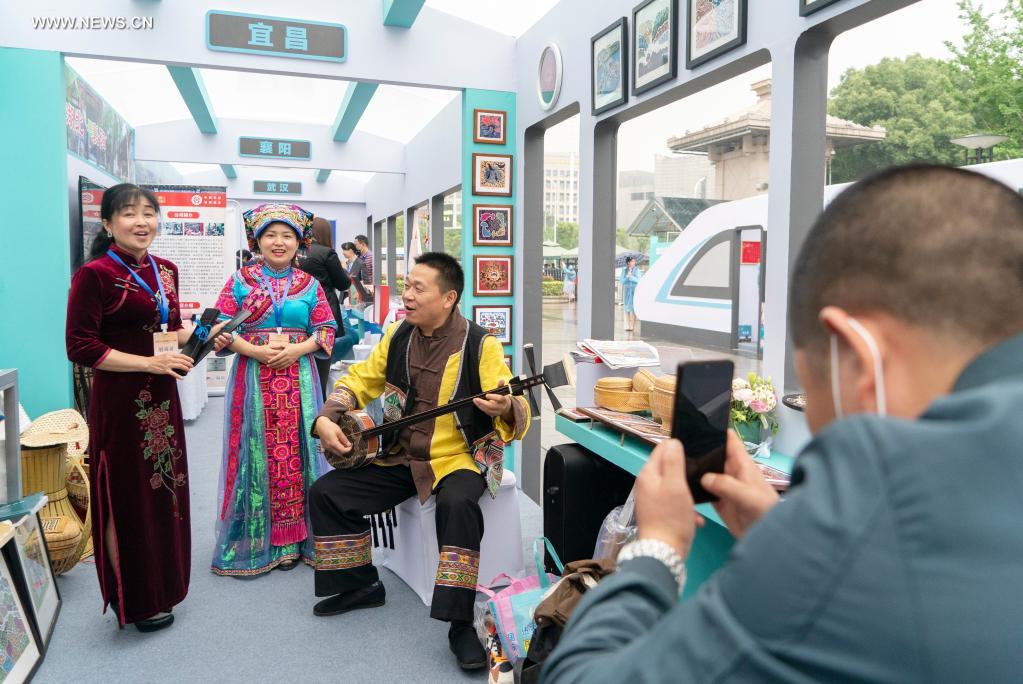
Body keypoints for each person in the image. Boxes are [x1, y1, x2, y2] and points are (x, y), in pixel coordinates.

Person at [543, 164, 1023, 682]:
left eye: (810, 387)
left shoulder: (856, 524)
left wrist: (655, 549)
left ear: (855, 358)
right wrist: (775, 531)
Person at [308, 252, 531, 670]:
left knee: (458, 505)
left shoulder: (481, 344)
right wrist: (326, 416)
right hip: (401, 453)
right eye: (406, 286)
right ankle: (361, 584)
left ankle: (460, 623)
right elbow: (359, 379)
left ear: (448, 298)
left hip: (457, 456)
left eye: (417, 288)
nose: (406, 295)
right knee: (328, 493)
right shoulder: (398, 334)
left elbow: (511, 399)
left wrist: (502, 407)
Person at [66, 183, 229, 632]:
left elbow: (171, 327)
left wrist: (209, 335)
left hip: (162, 398)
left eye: (149, 214)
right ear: (107, 223)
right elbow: (80, 346)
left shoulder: (166, 270)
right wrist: (149, 363)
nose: (142, 222)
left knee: (163, 491)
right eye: (129, 214)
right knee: (124, 495)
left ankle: (163, 585)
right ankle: (132, 598)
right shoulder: (94, 275)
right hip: (119, 402)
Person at [211, 204, 337, 576]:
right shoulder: (240, 280)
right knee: (255, 451)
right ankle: (259, 540)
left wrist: (297, 350)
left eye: (287, 236)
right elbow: (219, 326)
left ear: (299, 243)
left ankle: (301, 539)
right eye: (271, 235)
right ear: (257, 241)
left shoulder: (309, 284)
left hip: (300, 378)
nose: (278, 243)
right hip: (253, 379)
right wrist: (255, 351)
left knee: (302, 448)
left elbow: (327, 329)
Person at [298, 217, 351, 399]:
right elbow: (343, 283)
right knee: (321, 367)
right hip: (324, 313)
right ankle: (317, 413)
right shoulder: (326, 253)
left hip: (297, 314)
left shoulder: (296, 252)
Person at [342, 240, 371, 305]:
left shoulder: (361, 263)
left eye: (344, 250)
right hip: (343, 296)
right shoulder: (344, 263)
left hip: (355, 298)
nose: (343, 252)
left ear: (351, 250)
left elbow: (367, 282)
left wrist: (344, 269)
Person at [620, 256, 640, 332]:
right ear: (628, 262)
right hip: (627, 291)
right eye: (632, 261)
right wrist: (627, 277)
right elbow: (622, 281)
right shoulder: (624, 271)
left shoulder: (637, 270)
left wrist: (631, 277)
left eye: (634, 261)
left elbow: (638, 280)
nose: (634, 263)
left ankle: (632, 326)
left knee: (633, 309)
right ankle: (627, 326)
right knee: (627, 309)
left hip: (634, 291)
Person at [354, 234, 375, 303]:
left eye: (356, 245)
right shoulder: (359, 257)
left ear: (363, 244)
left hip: (369, 290)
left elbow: (374, 274)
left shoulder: (371, 256)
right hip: (361, 289)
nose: (355, 247)